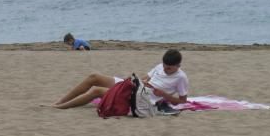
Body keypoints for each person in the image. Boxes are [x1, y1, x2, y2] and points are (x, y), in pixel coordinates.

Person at [52, 49, 189, 110]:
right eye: (164, 66)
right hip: (137, 87)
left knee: (97, 91)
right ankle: (60, 101)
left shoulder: (181, 77)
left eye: (169, 68)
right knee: (94, 77)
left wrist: (163, 95)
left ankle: (62, 107)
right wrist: (136, 81)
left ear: (178, 66)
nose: (165, 69)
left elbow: (183, 101)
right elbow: (146, 77)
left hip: (144, 98)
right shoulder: (160, 66)